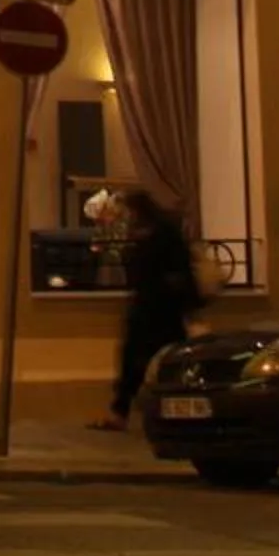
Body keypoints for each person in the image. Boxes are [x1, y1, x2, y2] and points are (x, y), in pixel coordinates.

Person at [88, 184, 201, 430]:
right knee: (143, 361)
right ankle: (130, 411)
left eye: (126, 210)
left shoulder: (161, 233)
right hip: (152, 309)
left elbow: (173, 270)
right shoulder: (149, 232)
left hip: (159, 310)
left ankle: (171, 413)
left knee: (159, 362)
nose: (124, 216)